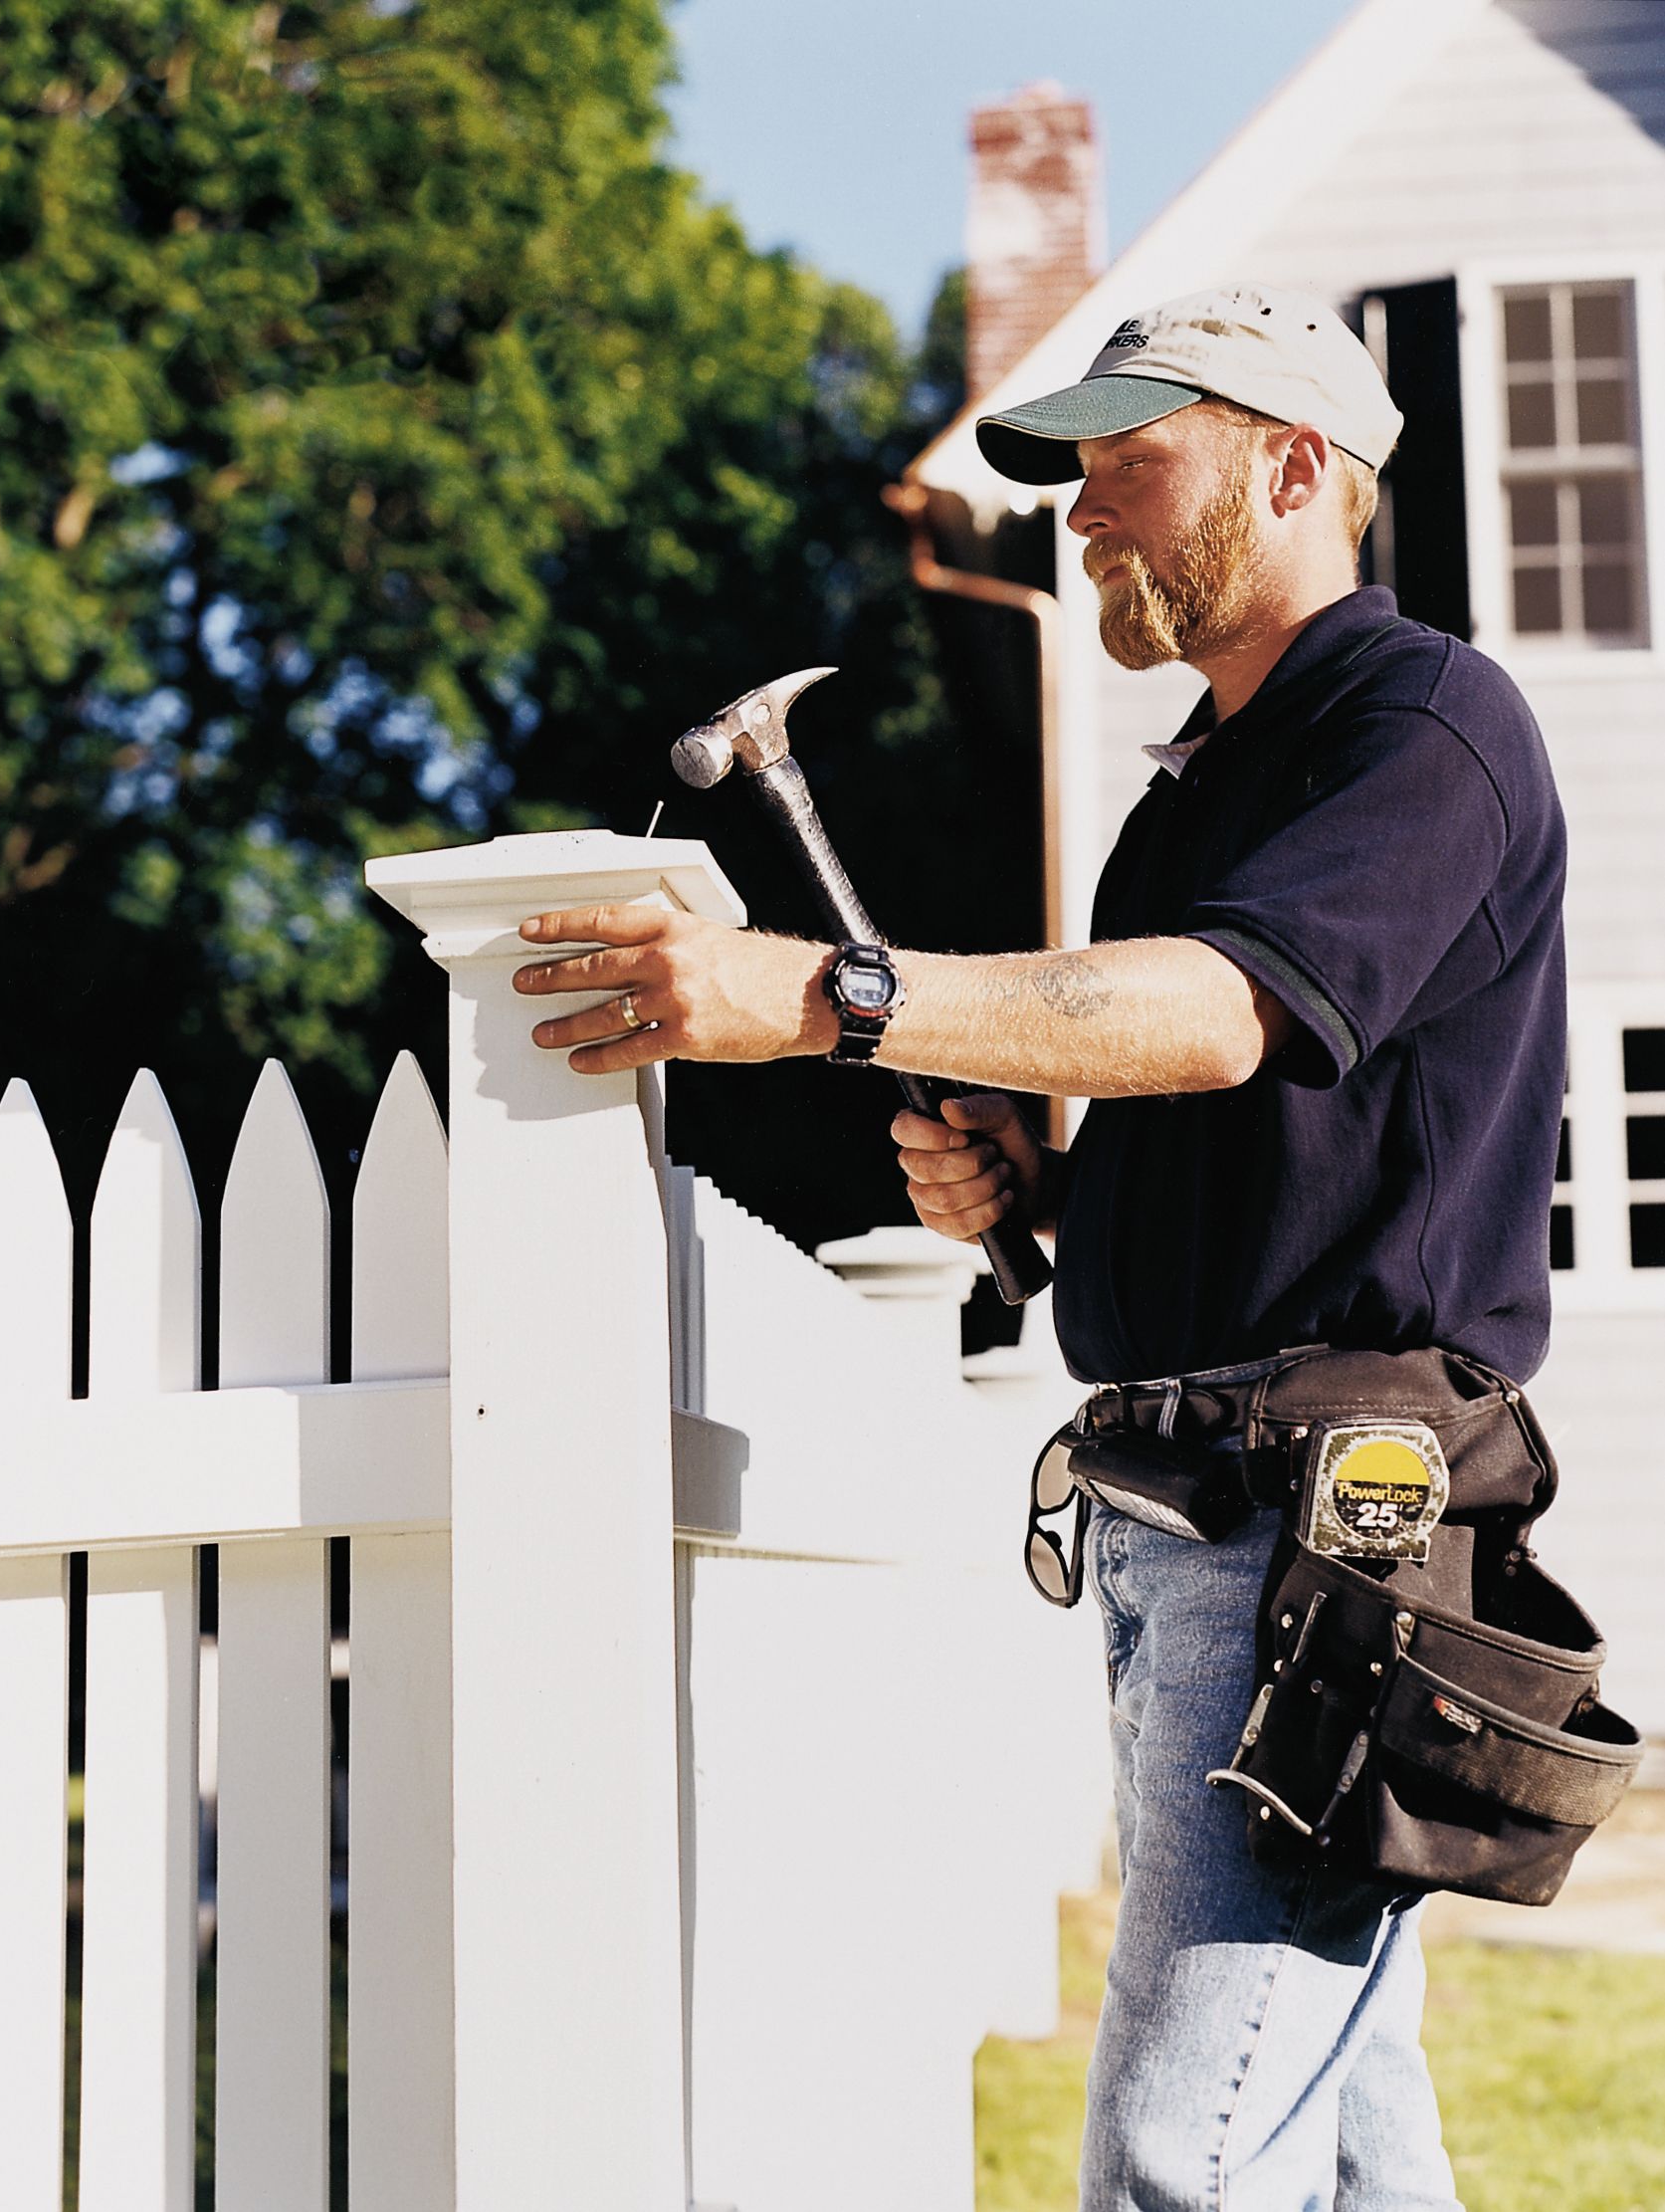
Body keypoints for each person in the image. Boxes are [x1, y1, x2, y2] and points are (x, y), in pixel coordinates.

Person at [514, 283, 1566, 2209]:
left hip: (1321, 1529)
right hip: (1200, 1517)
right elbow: (1260, 1130)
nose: (1079, 512)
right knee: (1338, 2146)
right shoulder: (1198, 788)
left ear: (1293, 463)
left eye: (1125, 465)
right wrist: (1048, 1181)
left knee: (1185, 2153)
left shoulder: (1422, 720)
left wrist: (826, 997)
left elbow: (1225, 1014)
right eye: (1071, 474)